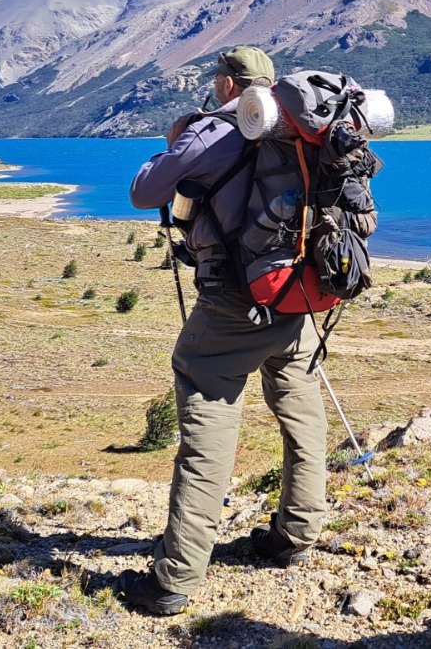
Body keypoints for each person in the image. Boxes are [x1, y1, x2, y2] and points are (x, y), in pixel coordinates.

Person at [116, 46, 329, 616]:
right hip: (296, 294)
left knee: (207, 420)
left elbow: (145, 192)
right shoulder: (298, 131)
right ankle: (296, 537)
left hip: (234, 301)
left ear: (230, 84)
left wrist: (172, 144)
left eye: (216, 78)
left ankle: (176, 577)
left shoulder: (213, 131)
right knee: (301, 414)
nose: (214, 87)